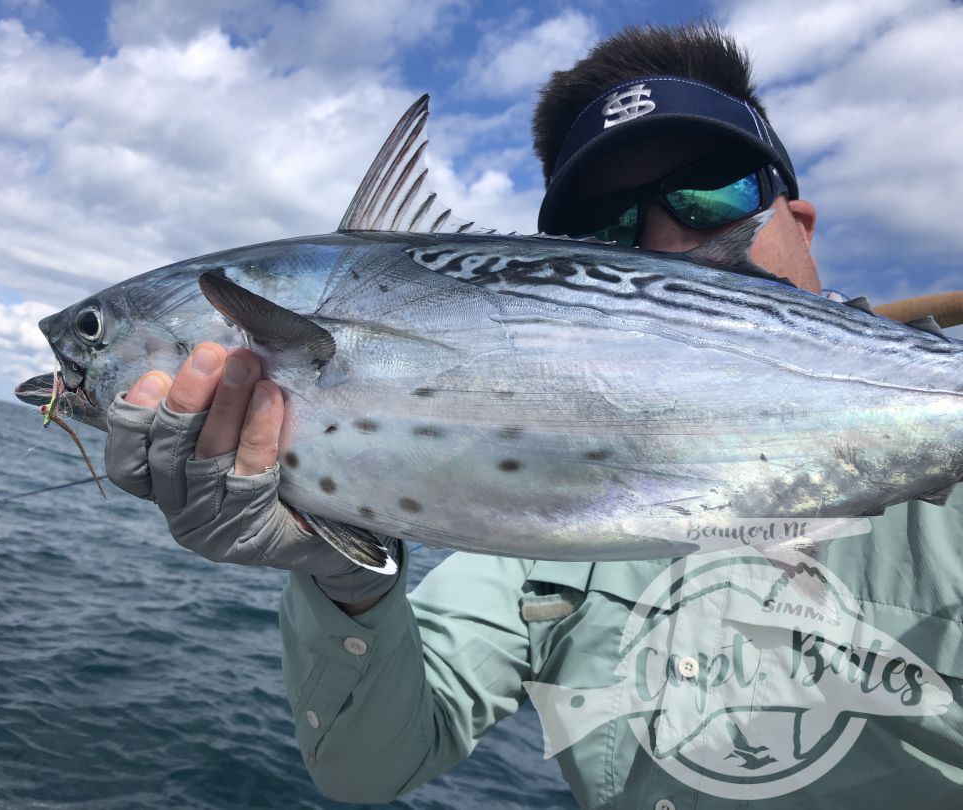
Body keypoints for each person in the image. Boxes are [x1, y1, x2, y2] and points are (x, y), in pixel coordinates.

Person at [104, 22, 963, 809]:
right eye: (605, 227)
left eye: (711, 194)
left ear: (798, 222)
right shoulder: (524, 545)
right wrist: (344, 581)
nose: (666, 241)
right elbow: (370, 768)